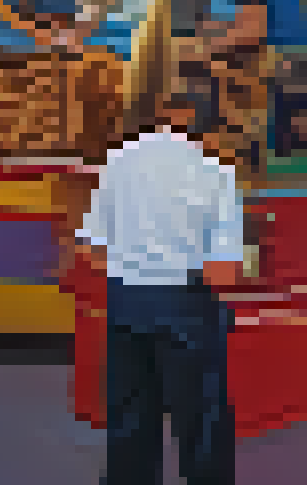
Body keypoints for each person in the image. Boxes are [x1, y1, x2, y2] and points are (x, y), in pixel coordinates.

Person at [68, 84, 243, 485]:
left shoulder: (118, 161)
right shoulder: (216, 171)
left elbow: (90, 248)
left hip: (126, 301)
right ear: (206, 123)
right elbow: (222, 272)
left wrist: (132, 265)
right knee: (201, 420)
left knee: (130, 418)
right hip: (186, 303)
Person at [197, 0, 307, 166]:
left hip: (284, 55)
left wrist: (205, 49)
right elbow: (216, 22)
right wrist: (204, 42)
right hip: (261, 51)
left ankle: (242, 155)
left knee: (210, 73)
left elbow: (252, 31)